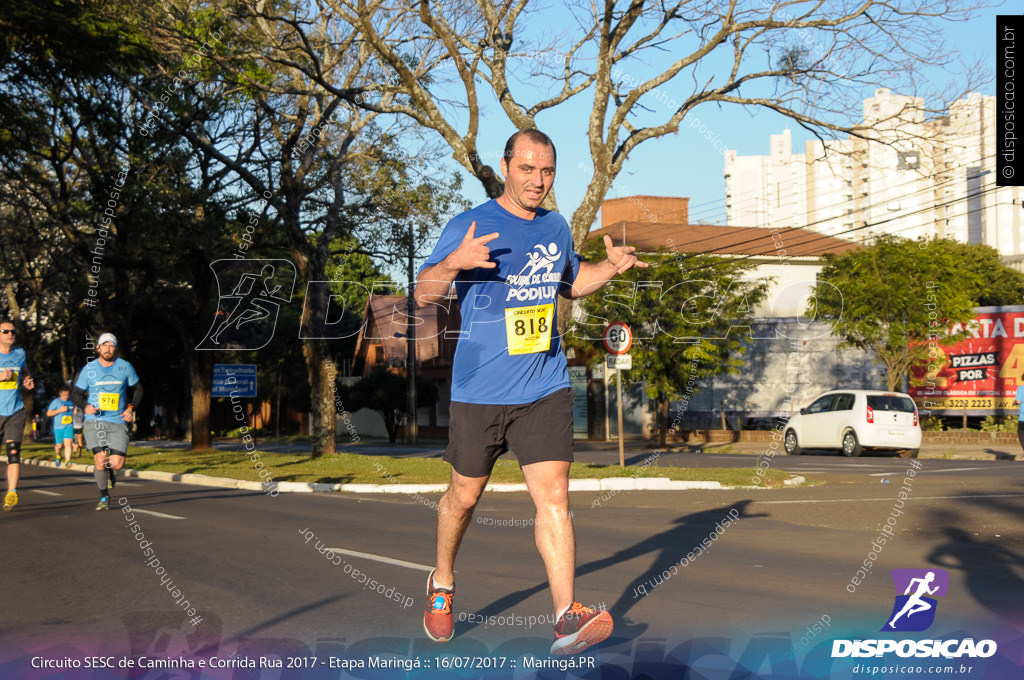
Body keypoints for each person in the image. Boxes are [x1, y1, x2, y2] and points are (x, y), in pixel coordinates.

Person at [414, 129, 647, 655]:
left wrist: (609, 267)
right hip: (479, 389)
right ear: (505, 166)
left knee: (555, 497)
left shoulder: (557, 226)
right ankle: (442, 583)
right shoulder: (472, 224)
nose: (538, 181)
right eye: (527, 169)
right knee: (464, 496)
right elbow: (424, 292)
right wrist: (455, 262)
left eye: (547, 172)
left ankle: (566, 615)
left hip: (544, 382)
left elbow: (573, 282)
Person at [71, 333, 142, 510]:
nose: (108, 349)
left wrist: (131, 408)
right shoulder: (90, 369)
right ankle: (104, 497)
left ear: (115, 348)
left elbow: (138, 388)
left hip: (117, 421)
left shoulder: (125, 367)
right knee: (101, 459)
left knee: (117, 464)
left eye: (111, 346)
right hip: (94, 420)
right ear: (98, 348)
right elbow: (76, 394)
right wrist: (85, 406)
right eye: (104, 345)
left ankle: (111, 471)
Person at [0, 318, 35, 511]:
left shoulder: (20, 354)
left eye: (12, 331)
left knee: (13, 452)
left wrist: (27, 380)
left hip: (15, 411)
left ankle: (12, 492)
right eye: (6, 331)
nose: (10, 334)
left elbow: (24, 371)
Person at [47, 385, 76, 468]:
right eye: (64, 394)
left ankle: (67, 461)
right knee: (59, 446)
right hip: (58, 427)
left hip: (69, 426)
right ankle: (58, 456)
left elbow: (73, 411)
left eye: (67, 394)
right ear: (60, 394)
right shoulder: (56, 402)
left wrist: (74, 411)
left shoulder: (71, 401)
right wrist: (60, 410)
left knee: (68, 443)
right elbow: (48, 413)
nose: (66, 396)